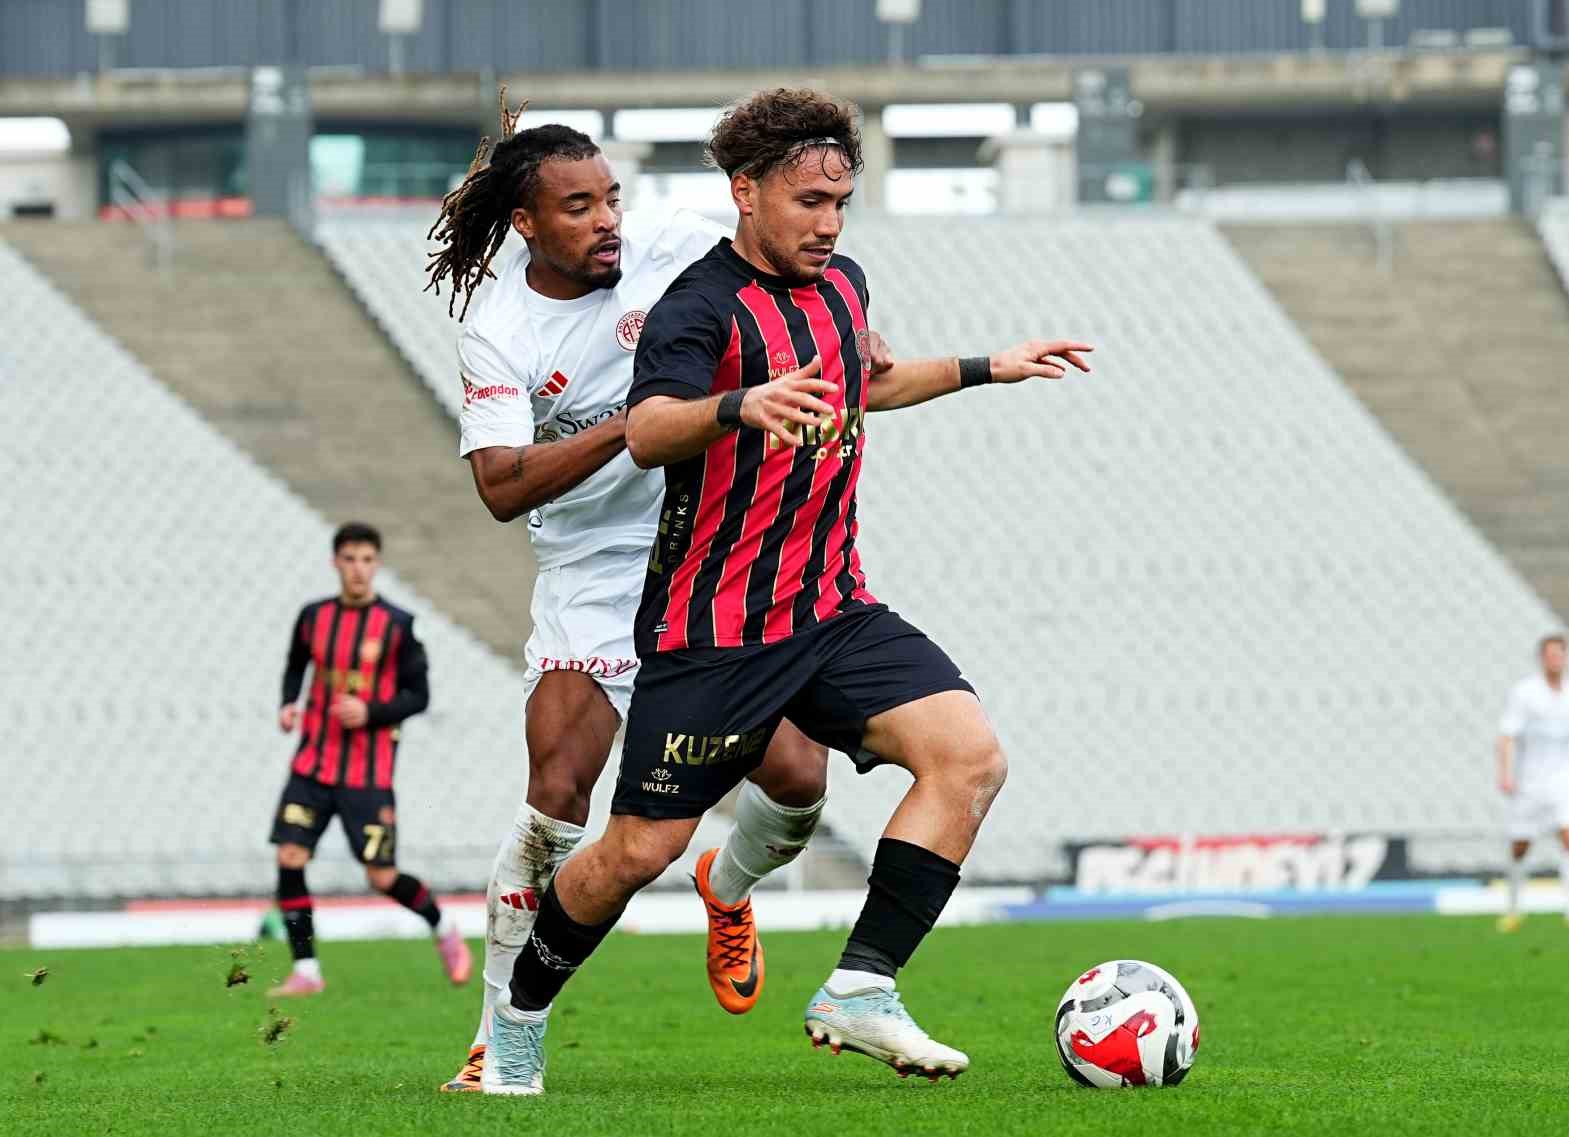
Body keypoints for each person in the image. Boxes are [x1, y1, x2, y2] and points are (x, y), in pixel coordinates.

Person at [481, 87, 1093, 1096]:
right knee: (633, 852)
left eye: (841, 202)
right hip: (711, 631)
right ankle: (520, 1014)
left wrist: (990, 365)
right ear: (746, 193)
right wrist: (738, 405)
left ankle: (859, 987)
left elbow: (865, 384)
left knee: (969, 759)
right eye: (810, 201)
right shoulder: (697, 307)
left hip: (832, 608)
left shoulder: (842, 285)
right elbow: (647, 428)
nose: (828, 222)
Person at [425, 95, 893, 1090]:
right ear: (526, 224)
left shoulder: (673, 243)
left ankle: (727, 888)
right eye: (578, 207)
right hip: (592, 575)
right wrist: (640, 422)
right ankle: (497, 1030)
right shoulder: (497, 330)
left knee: (802, 785)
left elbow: (779, 265)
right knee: (555, 803)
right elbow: (502, 486)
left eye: (611, 200)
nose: (607, 222)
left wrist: (856, 339)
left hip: (710, 552)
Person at [268, 521, 470, 996]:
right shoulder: (312, 617)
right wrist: (288, 702)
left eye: (366, 560)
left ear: (376, 565)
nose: (358, 569)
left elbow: (418, 695)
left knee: (381, 876)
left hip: (367, 773)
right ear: (335, 562)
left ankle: (442, 928)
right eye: (349, 559)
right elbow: (297, 663)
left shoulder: (397, 626)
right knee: (289, 855)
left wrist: (371, 711)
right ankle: (307, 971)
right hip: (312, 765)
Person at [1495, 633, 1569, 933]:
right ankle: (1513, 909)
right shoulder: (1525, 693)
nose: (1555, 660)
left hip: (1565, 780)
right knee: (1520, 846)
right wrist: (1505, 774)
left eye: (1560, 655)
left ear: (1566, 659)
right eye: (1550, 655)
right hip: (1530, 781)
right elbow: (1506, 736)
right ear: (1542, 658)